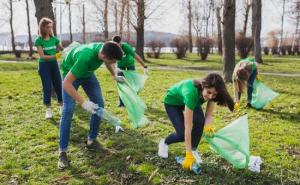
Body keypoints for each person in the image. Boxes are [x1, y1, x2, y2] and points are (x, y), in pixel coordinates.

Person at [57, 41, 124, 170]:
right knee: (68, 109)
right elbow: (66, 84)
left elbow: (108, 62)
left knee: (100, 104)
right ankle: (62, 152)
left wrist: (114, 75)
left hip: (87, 74)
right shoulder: (85, 57)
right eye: (113, 61)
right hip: (70, 74)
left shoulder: (104, 49)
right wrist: (83, 102)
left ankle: (91, 141)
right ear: (104, 56)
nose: (113, 64)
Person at [158, 73, 234, 171]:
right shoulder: (191, 93)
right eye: (209, 92)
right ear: (203, 86)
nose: (211, 97)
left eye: (214, 94)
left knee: (200, 121)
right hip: (172, 102)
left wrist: (207, 126)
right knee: (182, 133)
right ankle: (164, 142)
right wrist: (187, 154)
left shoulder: (212, 94)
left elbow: (208, 115)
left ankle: (194, 149)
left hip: (190, 101)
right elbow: (188, 127)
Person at [34, 17, 63, 119]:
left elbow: (62, 50)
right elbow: (42, 56)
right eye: (48, 27)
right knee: (47, 87)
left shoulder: (54, 39)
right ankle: (48, 110)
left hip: (54, 65)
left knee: (59, 85)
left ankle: (62, 107)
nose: (50, 29)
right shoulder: (38, 40)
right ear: (42, 28)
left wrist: (69, 49)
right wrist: (55, 56)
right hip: (44, 66)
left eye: (51, 27)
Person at [112, 35, 148, 107]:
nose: (116, 46)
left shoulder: (126, 47)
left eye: (117, 45)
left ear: (120, 42)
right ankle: (121, 103)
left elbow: (135, 56)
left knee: (133, 83)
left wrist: (144, 65)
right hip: (120, 66)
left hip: (130, 65)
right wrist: (114, 68)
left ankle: (134, 100)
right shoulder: (112, 47)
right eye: (114, 44)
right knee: (121, 84)